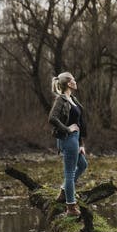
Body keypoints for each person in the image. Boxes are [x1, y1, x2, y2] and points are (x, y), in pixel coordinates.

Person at [48, 72, 88, 216]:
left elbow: (79, 123)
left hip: (75, 139)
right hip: (68, 139)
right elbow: (52, 118)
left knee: (83, 165)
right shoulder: (61, 99)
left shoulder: (73, 99)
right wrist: (67, 129)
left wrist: (81, 144)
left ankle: (64, 192)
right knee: (70, 173)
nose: (76, 82)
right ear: (69, 84)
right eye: (74, 80)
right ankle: (71, 207)